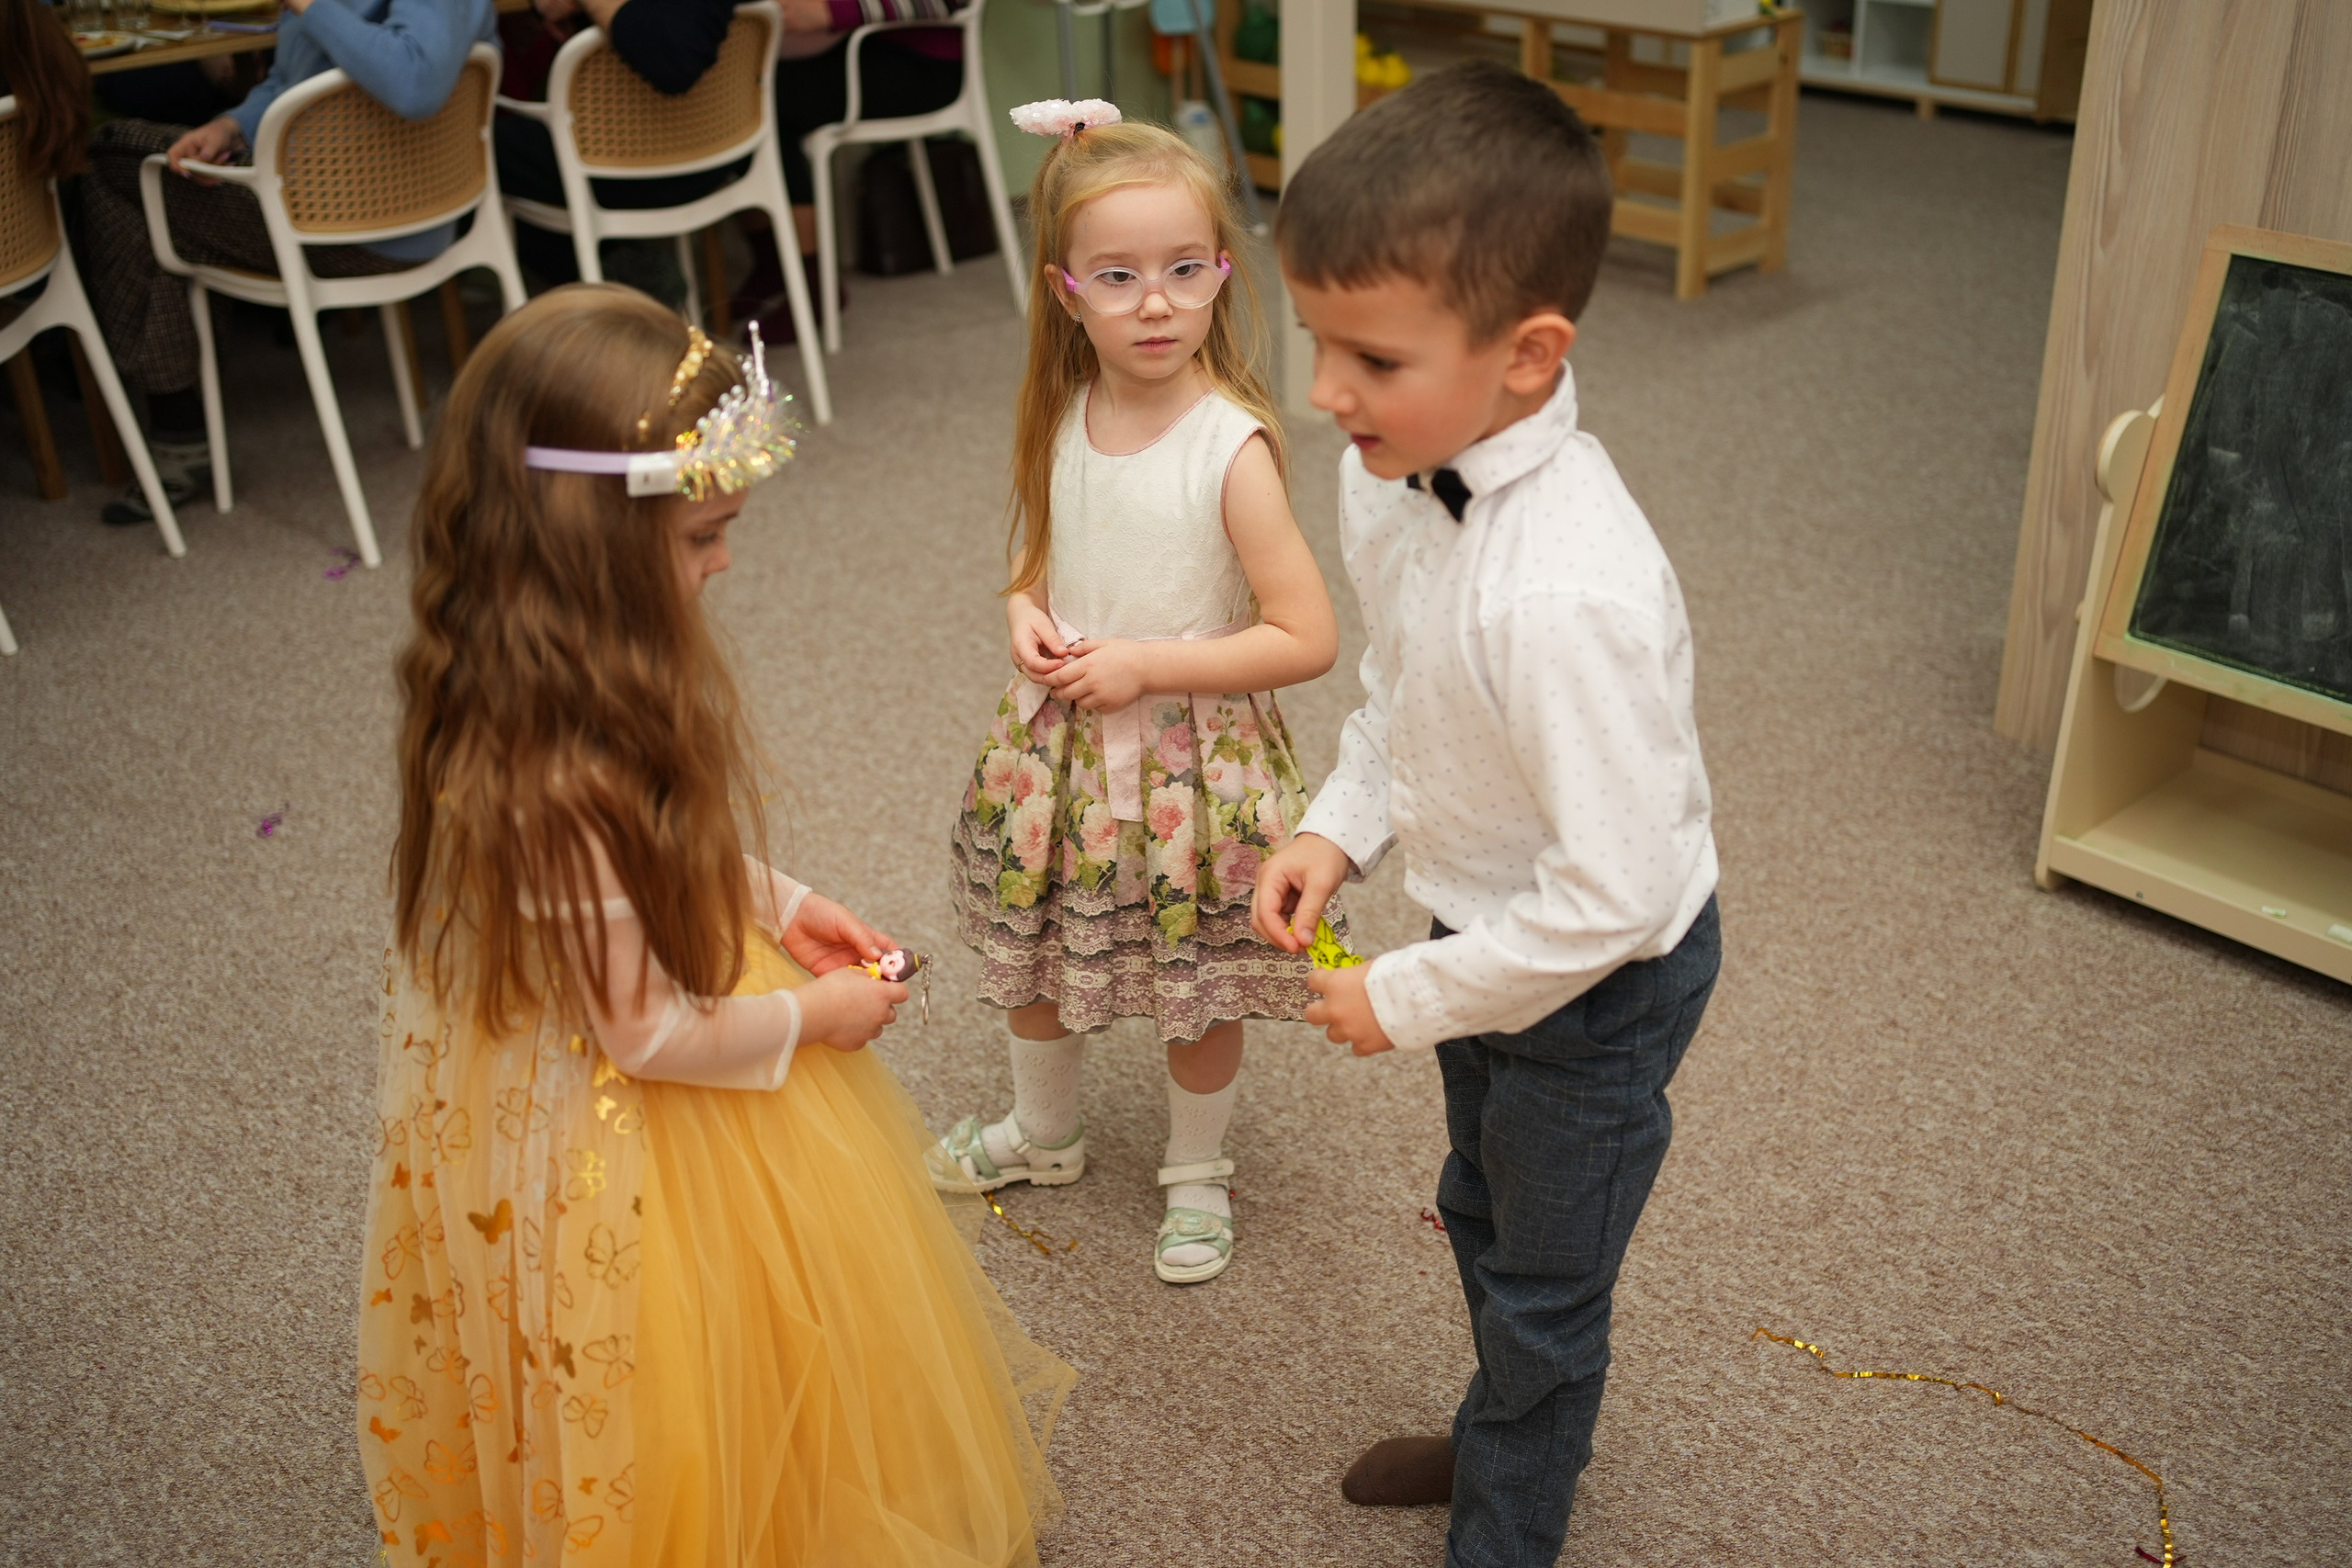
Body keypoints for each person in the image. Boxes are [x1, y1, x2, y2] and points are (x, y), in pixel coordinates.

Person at [360, 284, 1072, 1564]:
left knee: (761, 1341)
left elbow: (658, 844)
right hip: (621, 1104)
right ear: (586, 538)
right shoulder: (538, 762)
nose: (724, 562)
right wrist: (816, 1017)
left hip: (662, 1010)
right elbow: (640, 1031)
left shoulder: (575, 660)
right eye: (702, 538)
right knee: (671, 1356)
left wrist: (779, 896)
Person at [1251, 61, 1723, 1568]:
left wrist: (1402, 994)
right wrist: (1339, 826)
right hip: (1482, 919)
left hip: (1604, 979)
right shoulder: (1390, 472)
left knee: (1546, 1285)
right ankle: (1493, 1425)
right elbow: (1401, 693)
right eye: (1320, 341)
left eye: (1369, 357)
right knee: (1477, 1205)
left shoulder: (1567, 591)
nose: (1326, 392)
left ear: (1526, 359)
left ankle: (1508, 1524)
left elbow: (1618, 902)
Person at [932, 102, 1338, 1287]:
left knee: (1194, 980)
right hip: (1059, 753)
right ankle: (1043, 1135)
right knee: (1038, 952)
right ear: (1066, 291)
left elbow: (1304, 634)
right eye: (1119, 276)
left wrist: (1149, 664)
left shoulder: (1231, 448)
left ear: (1221, 274)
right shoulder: (1063, 411)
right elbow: (1036, 557)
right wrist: (1023, 608)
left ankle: (1196, 1172)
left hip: (1188, 770)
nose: (1154, 302)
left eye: (1182, 271)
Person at [74, 0, 498, 527]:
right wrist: (230, 127)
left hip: (361, 222)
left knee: (116, 162)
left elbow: (417, 84)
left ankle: (178, 435)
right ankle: (178, 429)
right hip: (322, 206)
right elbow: (288, 82)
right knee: (162, 179)